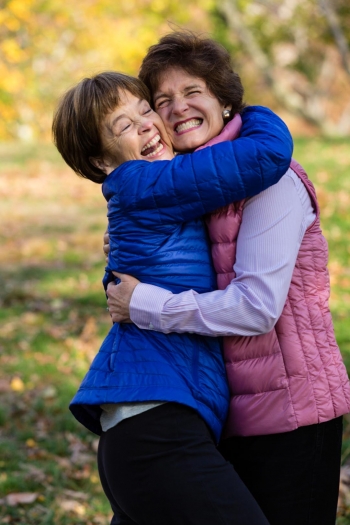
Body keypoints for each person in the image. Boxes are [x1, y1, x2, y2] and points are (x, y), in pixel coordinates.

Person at [105, 32, 350, 525]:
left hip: (291, 412)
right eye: (162, 100)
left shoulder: (271, 181)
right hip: (229, 413)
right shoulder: (194, 185)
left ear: (223, 98)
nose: (178, 109)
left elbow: (257, 306)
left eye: (193, 92)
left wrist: (143, 304)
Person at [52, 70, 293, 524]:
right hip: (156, 429)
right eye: (123, 126)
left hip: (149, 428)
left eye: (145, 110)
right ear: (103, 162)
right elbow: (267, 154)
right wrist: (244, 111)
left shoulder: (148, 194)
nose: (145, 125)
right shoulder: (144, 184)